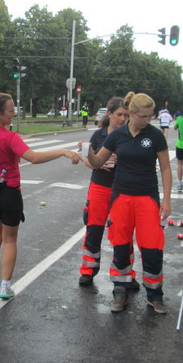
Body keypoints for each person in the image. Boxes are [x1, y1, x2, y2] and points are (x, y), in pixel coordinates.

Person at [0, 93, 81, 299]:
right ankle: (6, 287)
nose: (14, 114)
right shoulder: (10, 137)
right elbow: (34, 158)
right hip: (9, 193)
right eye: (10, 111)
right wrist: (63, 151)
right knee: (10, 240)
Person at [86, 92, 172, 314]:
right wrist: (90, 154)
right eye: (143, 116)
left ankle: (154, 295)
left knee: (152, 247)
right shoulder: (117, 136)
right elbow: (98, 161)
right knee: (121, 245)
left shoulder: (155, 136)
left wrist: (167, 200)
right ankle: (120, 291)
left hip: (147, 198)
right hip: (121, 197)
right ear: (132, 113)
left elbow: (165, 168)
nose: (147, 120)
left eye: (150, 116)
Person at [77, 97, 134, 288]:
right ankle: (88, 270)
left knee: (122, 231)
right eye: (119, 114)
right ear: (109, 114)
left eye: (126, 115)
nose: (122, 119)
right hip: (100, 186)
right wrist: (96, 163)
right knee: (93, 228)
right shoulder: (99, 135)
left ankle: (127, 274)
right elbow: (87, 159)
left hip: (122, 188)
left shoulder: (129, 135)